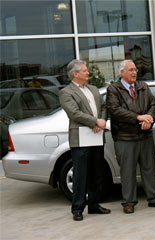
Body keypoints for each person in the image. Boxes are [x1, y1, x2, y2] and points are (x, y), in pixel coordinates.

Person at [106, 60, 155, 214]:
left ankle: (153, 198)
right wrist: (138, 118)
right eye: (131, 70)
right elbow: (115, 110)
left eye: (135, 69)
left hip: (145, 135)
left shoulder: (143, 86)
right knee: (127, 171)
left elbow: (153, 105)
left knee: (149, 168)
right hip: (124, 137)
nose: (134, 73)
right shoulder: (114, 89)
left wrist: (149, 119)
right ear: (122, 72)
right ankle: (128, 202)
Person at [59, 59, 111, 221]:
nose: (88, 72)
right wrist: (95, 122)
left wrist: (101, 122)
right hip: (81, 139)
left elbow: (103, 107)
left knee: (97, 172)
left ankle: (94, 205)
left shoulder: (94, 89)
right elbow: (74, 113)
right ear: (75, 74)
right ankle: (77, 208)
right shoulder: (66, 92)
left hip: (96, 137)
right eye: (85, 70)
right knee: (80, 174)